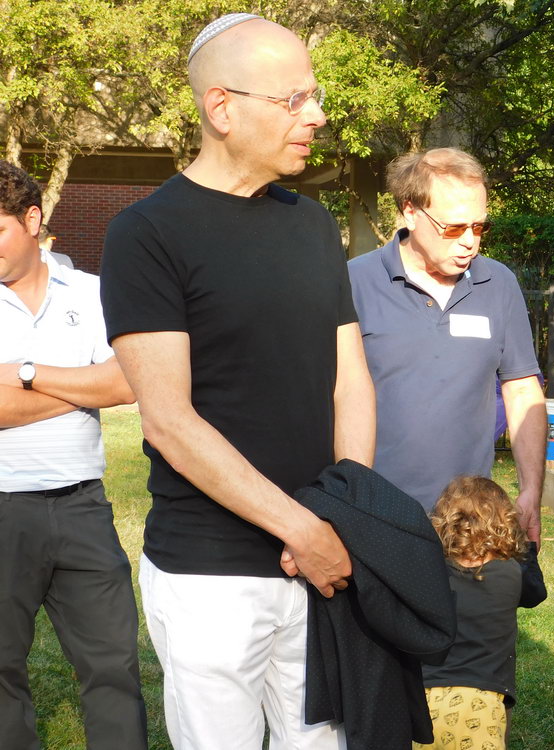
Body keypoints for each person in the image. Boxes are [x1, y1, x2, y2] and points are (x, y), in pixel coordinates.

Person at [99, 13, 376, 750]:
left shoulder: (313, 225)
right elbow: (168, 421)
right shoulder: (146, 234)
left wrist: (343, 514)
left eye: (315, 97)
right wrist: (302, 529)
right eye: (295, 100)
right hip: (210, 575)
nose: (316, 116)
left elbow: (350, 381)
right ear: (221, 108)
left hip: (320, 561)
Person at [0, 160, 146, 748]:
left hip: (84, 507)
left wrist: (26, 373)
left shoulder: (91, 292)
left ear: (32, 219)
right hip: (3, 509)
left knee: (114, 668)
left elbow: (129, 381)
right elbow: (105, 384)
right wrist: (82, 386)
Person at [348, 148, 546, 542]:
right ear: (410, 212)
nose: (470, 242)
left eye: (479, 227)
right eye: (454, 228)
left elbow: (523, 389)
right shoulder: (354, 281)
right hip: (374, 518)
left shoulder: (498, 284)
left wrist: (531, 491)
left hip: (469, 528)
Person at [416, 476, 547, 750]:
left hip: (425, 701)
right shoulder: (514, 571)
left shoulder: (429, 571)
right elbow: (536, 594)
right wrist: (528, 546)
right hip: (483, 703)